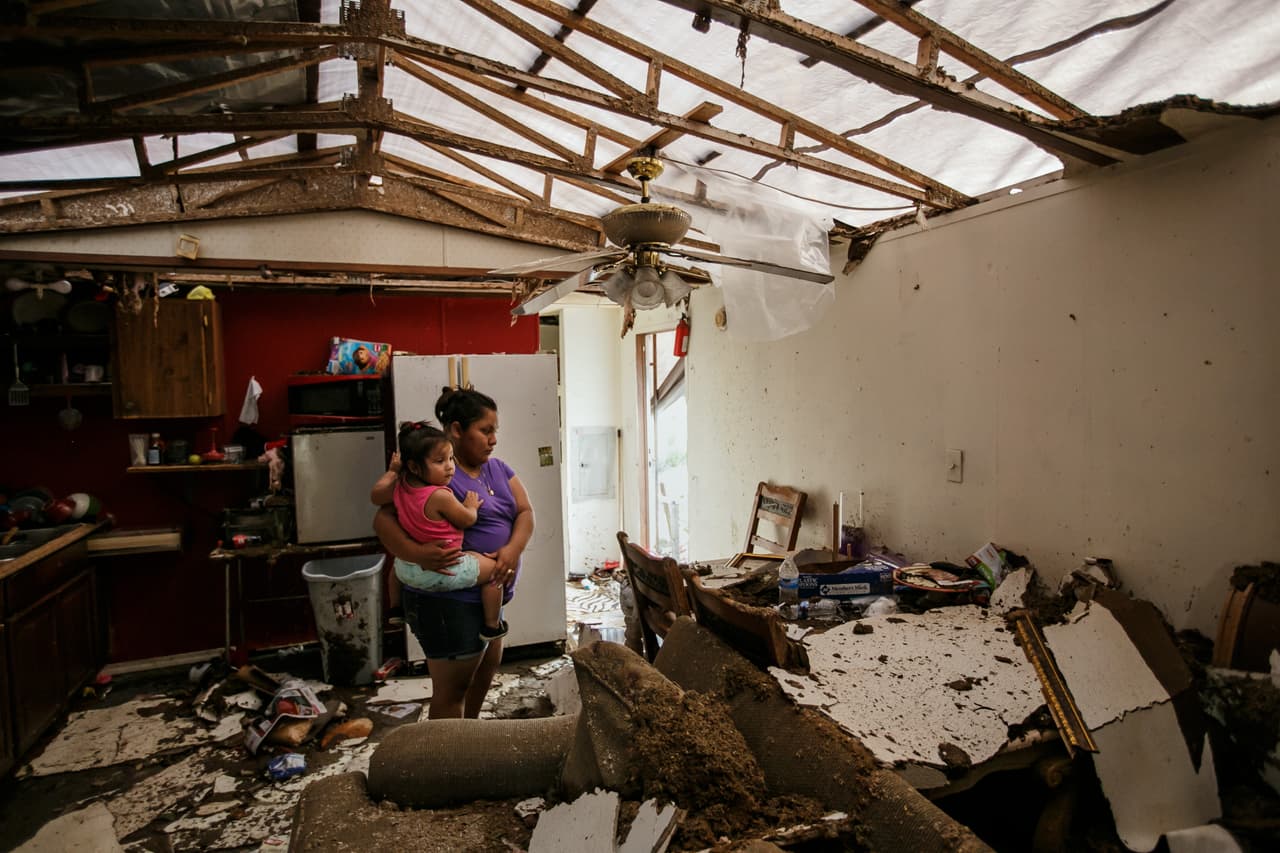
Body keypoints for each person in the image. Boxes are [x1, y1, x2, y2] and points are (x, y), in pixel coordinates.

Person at [373, 387, 534, 719]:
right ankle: (447, 752)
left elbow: (525, 512)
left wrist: (511, 550)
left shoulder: (498, 468)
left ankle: (467, 741)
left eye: (495, 431)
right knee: (453, 691)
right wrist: (416, 553)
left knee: (483, 673)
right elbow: (382, 518)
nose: (493, 440)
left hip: (488, 599)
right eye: (485, 431)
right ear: (457, 430)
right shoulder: (432, 474)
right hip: (451, 603)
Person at [370, 421, 507, 641]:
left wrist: (393, 471)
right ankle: (492, 625)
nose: (450, 467)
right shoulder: (440, 496)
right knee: (495, 572)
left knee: (396, 564)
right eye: (440, 461)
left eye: (451, 458)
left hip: (407, 572)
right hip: (445, 570)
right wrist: (471, 506)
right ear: (414, 467)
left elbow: (376, 495)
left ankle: (395, 608)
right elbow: (466, 520)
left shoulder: (400, 486)